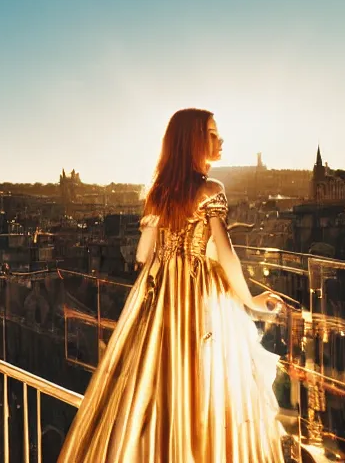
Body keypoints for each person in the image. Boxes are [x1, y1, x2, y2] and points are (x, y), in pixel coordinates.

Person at [58, 108, 285, 462]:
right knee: (206, 383)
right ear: (194, 141)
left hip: (161, 296)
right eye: (212, 133)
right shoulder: (211, 190)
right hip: (200, 297)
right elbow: (226, 256)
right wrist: (251, 300)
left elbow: (143, 253)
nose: (220, 140)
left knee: (157, 381)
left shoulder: (159, 193)